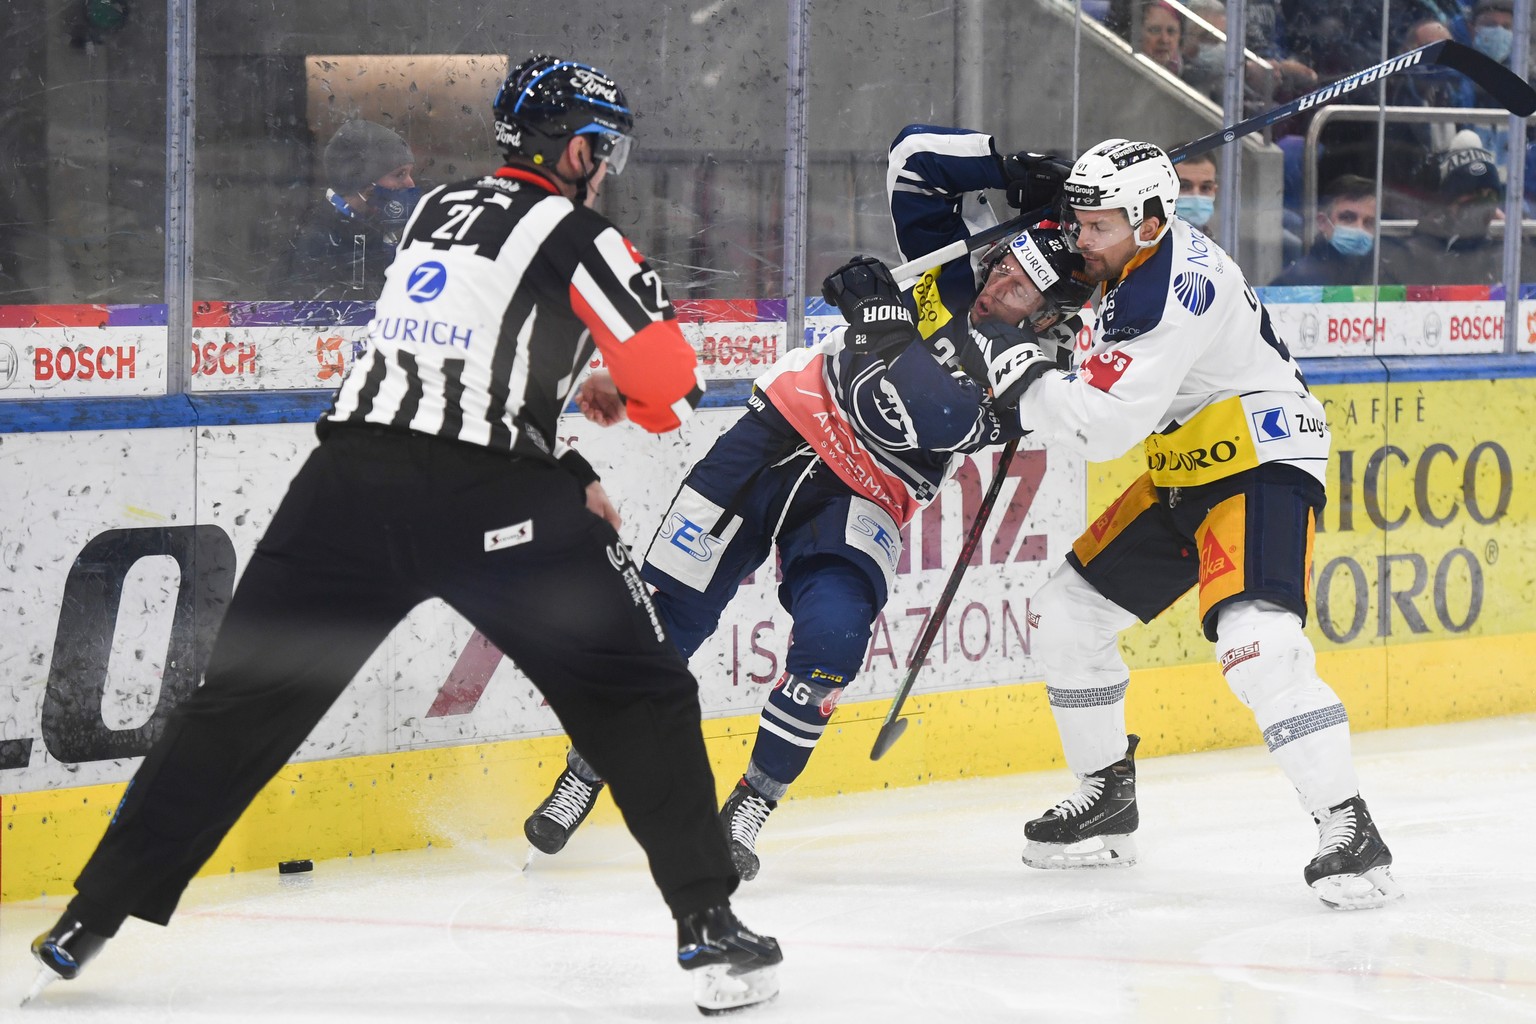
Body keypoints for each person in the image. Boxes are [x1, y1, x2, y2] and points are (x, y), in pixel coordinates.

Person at [28, 54, 784, 1016]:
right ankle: (708, 928)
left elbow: (459, 361)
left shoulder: (433, 213)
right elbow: (671, 382)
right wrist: (614, 405)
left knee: (239, 708)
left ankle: (87, 920)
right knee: (639, 695)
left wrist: (567, 442)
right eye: (609, 152)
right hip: (489, 506)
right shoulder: (583, 234)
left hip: (343, 488)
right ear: (581, 148)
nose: (610, 171)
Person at [523, 124, 1091, 881]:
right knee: (664, 621)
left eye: (1017, 286)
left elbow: (927, 417)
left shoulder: (1044, 371)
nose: (991, 284)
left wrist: (886, 327)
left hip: (865, 499)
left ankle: (750, 806)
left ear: (1049, 314)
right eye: (998, 265)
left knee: (831, 646)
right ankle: (587, 766)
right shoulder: (958, 278)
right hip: (770, 437)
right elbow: (912, 164)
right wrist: (1014, 172)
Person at [1003, 137, 1402, 910]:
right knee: (1067, 614)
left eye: (1099, 225)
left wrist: (1025, 380)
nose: (1082, 240)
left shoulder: (1167, 295)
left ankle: (1350, 828)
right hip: (1188, 469)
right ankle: (1105, 798)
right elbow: (1095, 337)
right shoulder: (1134, 259)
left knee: (1258, 644)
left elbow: (1105, 429)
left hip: (1259, 460)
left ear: (1151, 221)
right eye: (1078, 221)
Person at [268, 119, 422, 301]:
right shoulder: (317, 244)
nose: (410, 184)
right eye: (400, 174)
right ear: (362, 180)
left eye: (409, 173)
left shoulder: (380, 237)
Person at [1382, 137, 1530, 285]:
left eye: (1490, 196)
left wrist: (1512, 244)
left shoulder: (1510, 254)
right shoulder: (1414, 254)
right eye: (1473, 195)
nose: (1482, 206)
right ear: (1449, 202)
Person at [1269, 174, 1382, 286]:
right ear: (1322, 222)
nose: (1359, 228)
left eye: (1369, 222)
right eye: (1348, 218)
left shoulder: (1384, 278)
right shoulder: (1293, 283)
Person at [1174, 151, 1219, 234]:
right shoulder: (1147, 242)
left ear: (1214, 191)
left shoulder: (1211, 242)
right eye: (1184, 186)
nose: (1196, 195)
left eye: (1205, 187)